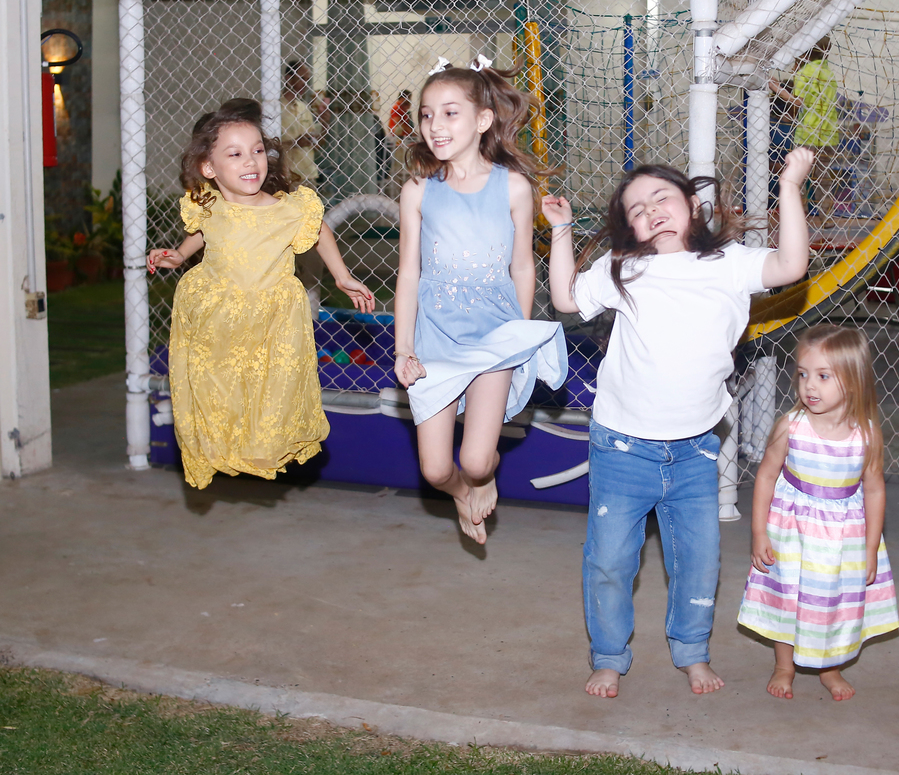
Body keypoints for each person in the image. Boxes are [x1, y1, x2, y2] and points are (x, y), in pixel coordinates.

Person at [542, 148, 815, 698]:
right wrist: (562, 230)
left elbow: (791, 266)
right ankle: (609, 656)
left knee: (698, 562)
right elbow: (566, 298)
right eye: (638, 210)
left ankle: (692, 650)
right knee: (610, 561)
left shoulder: (730, 263)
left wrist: (789, 184)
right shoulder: (625, 268)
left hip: (695, 450)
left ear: (693, 205)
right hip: (622, 447)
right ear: (630, 229)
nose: (653, 211)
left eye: (662, 198)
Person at [146, 98, 374, 489]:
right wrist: (179, 254)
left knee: (271, 388)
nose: (251, 162)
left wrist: (341, 275)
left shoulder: (288, 208)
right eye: (235, 154)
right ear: (209, 167)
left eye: (256, 151)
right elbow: (203, 230)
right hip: (218, 312)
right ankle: (218, 444)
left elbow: (319, 230)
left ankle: (263, 445)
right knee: (218, 388)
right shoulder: (208, 202)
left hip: (272, 317)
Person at [394, 56, 567, 546]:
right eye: (426, 114)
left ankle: (483, 476)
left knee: (474, 460)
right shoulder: (418, 190)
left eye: (450, 112)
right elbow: (409, 272)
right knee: (435, 470)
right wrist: (403, 348)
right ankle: (458, 493)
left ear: (483, 119)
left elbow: (521, 267)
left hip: (495, 335)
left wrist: (520, 336)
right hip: (435, 337)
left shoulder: (513, 186)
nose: (434, 125)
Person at [737, 324, 899, 702]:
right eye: (804, 374)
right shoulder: (791, 427)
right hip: (791, 529)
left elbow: (874, 489)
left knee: (832, 599)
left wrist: (871, 546)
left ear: (854, 381)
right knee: (788, 595)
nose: (810, 385)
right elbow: (765, 476)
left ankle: (830, 665)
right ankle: (784, 664)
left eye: (823, 376)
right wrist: (759, 533)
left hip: (842, 538)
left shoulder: (867, 434)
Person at [769, 36, 841, 219]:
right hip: (829, 135)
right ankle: (828, 217)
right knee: (824, 180)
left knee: (798, 177)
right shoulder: (829, 74)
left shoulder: (804, 73)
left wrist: (775, 87)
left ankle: (796, 216)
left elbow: (798, 101)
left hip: (807, 134)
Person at [281, 60, 328, 188]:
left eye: (308, 80)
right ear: (288, 79)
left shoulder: (304, 108)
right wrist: (294, 143)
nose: (305, 84)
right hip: (288, 176)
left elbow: (317, 145)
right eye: (302, 78)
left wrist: (324, 124)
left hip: (309, 175)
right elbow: (267, 145)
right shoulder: (275, 108)